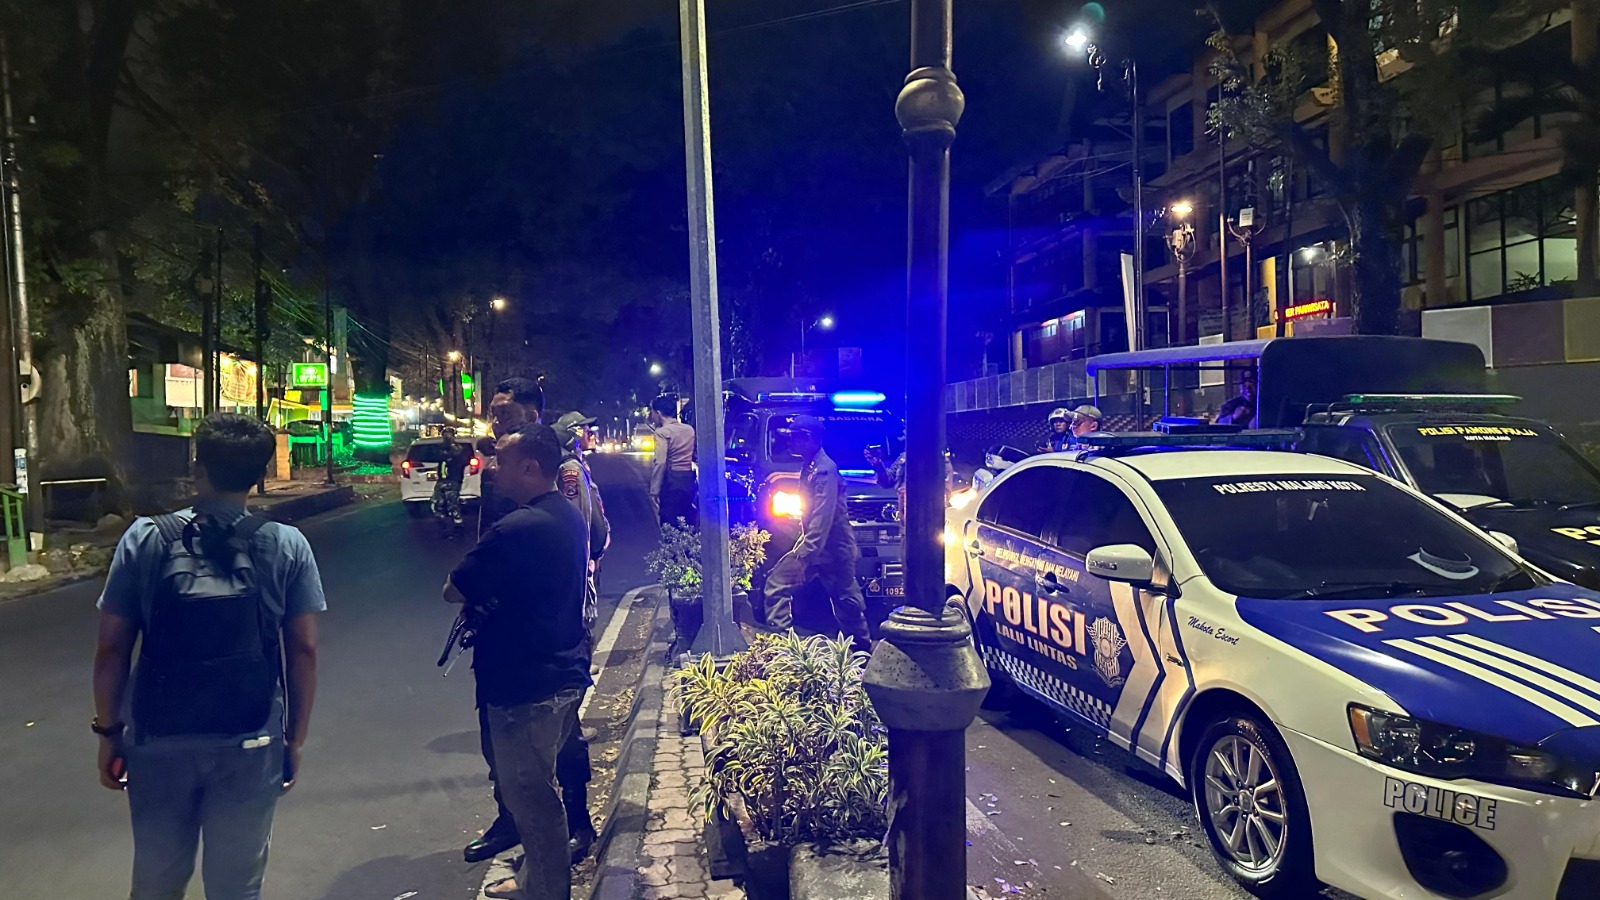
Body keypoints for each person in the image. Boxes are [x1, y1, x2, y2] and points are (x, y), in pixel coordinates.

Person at [92, 413, 326, 900]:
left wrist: (110, 733)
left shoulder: (144, 538)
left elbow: (112, 648)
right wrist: (293, 740)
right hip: (250, 739)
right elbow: (302, 650)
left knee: (156, 880)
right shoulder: (286, 544)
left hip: (158, 738)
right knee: (236, 886)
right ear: (260, 474)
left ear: (198, 468)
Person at [445, 423, 589, 900]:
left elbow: (454, 588)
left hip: (525, 686)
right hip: (562, 672)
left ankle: (547, 891)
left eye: (501, 461)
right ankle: (534, 881)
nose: (491, 468)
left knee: (533, 802)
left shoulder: (515, 529)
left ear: (529, 468)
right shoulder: (566, 514)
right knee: (539, 793)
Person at [464, 375, 545, 866]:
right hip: (496, 617)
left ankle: (569, 827)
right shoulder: (497, 462)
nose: (495, 421)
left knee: (551, 736)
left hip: (538, 620)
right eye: (493, 413)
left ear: (531, 414)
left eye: (505, 413)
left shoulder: (551, 464)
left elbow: (588, 538)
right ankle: (510, 817)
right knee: (494, 727)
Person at [550, 410, 612, 863]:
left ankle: (575, 824)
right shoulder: (573, 470)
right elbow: (588, 528)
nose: (591, 433)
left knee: (566, 715)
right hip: (575, 589)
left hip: (572, 589)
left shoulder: (573, 469)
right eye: (584, 429)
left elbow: (588, 528)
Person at [762, 416, 872, 650]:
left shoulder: (824, 471)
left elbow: (822, 520)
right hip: (818, 547)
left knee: (847, 603)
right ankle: (784, 649)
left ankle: (861, 652)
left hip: (833, 550)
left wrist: (804, 557)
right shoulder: (811, 465)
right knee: (777, 584)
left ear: (808, 439)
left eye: (794, 438)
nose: (789, 443)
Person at [649, 395, 697, 526]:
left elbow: (660, 462)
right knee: (686, 519)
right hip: (688, 480)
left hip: (671, 482)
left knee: (669, 522)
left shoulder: (662, 433)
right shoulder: (689, 430)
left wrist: (654, 490)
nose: (652, 416)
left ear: (659, 413)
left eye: (652, 413)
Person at [434, 427, 471, 538]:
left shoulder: (456, 449)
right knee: (438, 504)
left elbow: (459, 459)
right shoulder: (442, 448)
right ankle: (446, 527)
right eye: (445, 434)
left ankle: (458, 528)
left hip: (452, 480)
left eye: (448, 434)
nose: (446, 437)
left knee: (452, 505)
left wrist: (450, 450)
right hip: (442, 480)